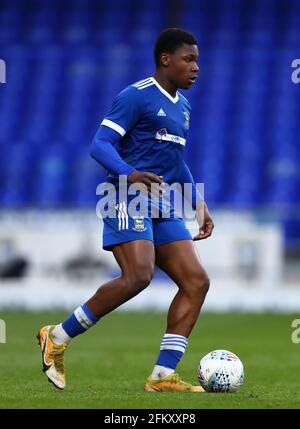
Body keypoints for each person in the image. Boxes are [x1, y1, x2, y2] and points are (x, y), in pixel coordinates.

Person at [37, 28, 214, 393]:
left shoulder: (182, 106)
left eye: (197, 59)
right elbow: (99, 144)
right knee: (138, 275)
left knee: (196, 281)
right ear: (166, 59)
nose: (196, 67)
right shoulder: (136, 96)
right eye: (189, 59)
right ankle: (56, 336)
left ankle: (162, 377)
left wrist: (199, 204)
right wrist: (129, 174)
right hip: (124, 194)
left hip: (161, 201)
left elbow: (176, 162)